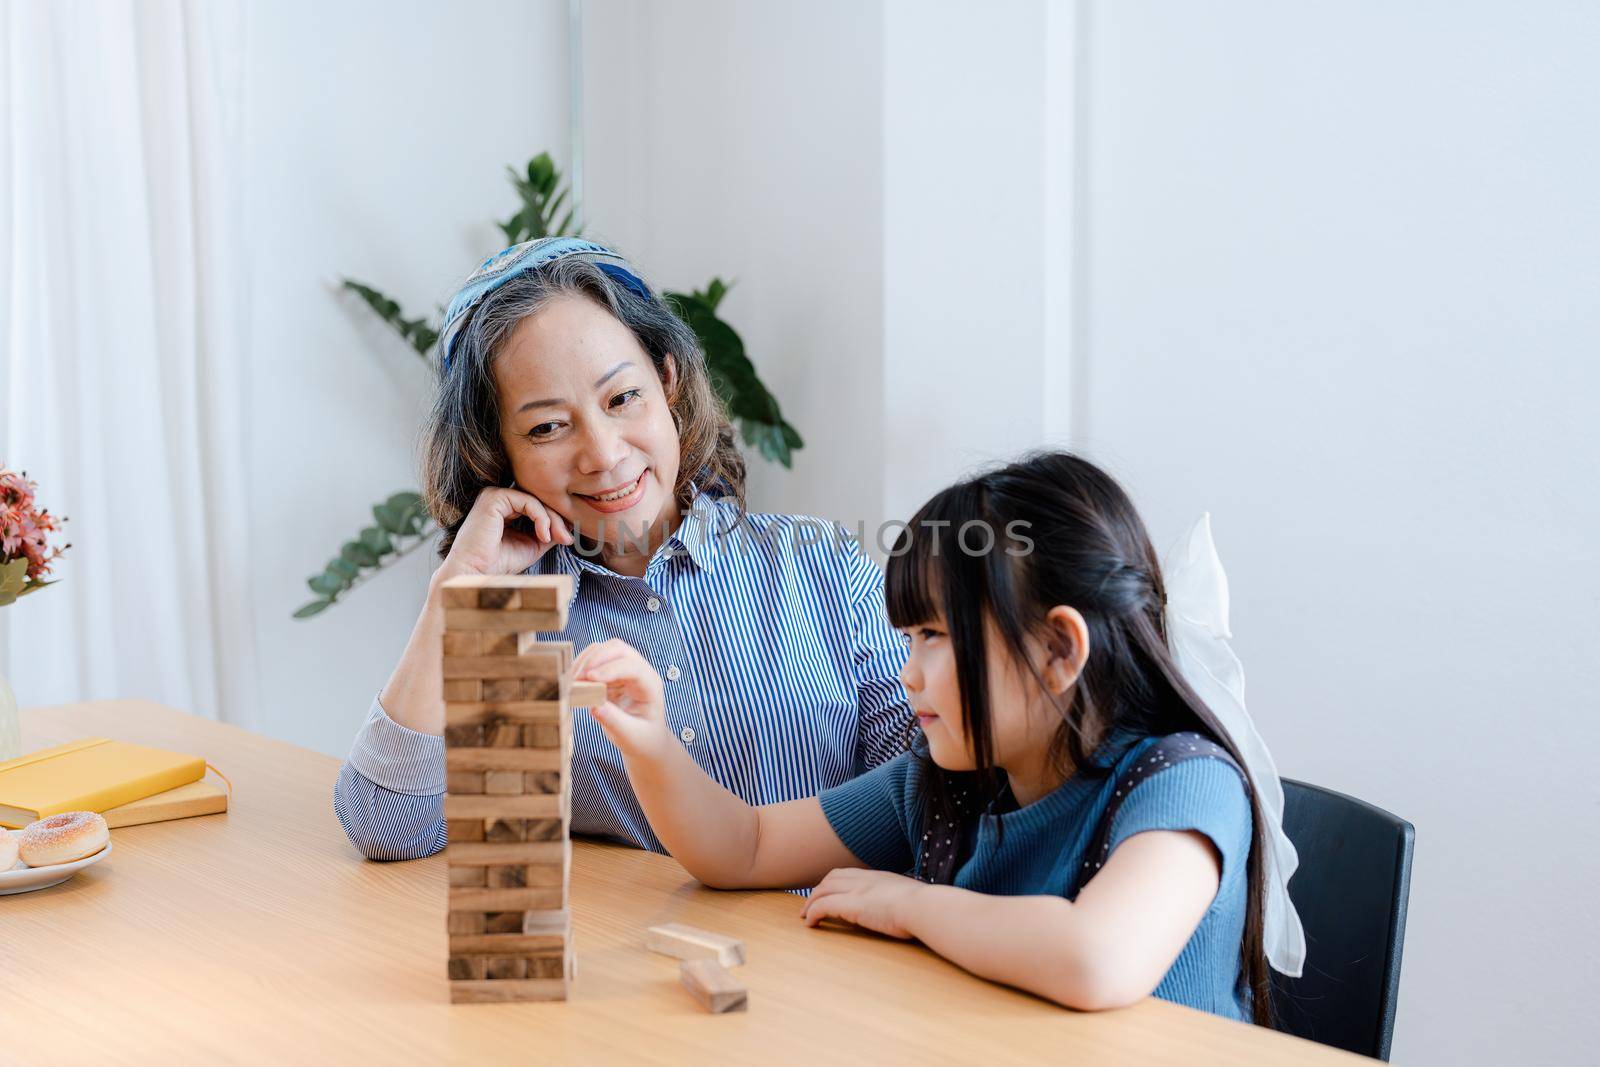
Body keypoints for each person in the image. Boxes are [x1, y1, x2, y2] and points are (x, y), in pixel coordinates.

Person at [568, 451, 1282, 1022]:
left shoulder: (1185, 782)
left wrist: (909, 904)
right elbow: (745, 845)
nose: (908, 674)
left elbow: (1096, 958)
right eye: (908, 638)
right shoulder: (944, 778)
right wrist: (650, 740)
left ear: (1061, 650)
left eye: (935, 637)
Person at [334, 237, 911, 859]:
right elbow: (389, 830)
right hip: (643, 953)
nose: (605, 455)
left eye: (622, 398)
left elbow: (935, 792)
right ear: (499, 454)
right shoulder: (511, 617)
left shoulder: (821, 565)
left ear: (667, 381)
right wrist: (452, 602)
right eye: (547, 427)